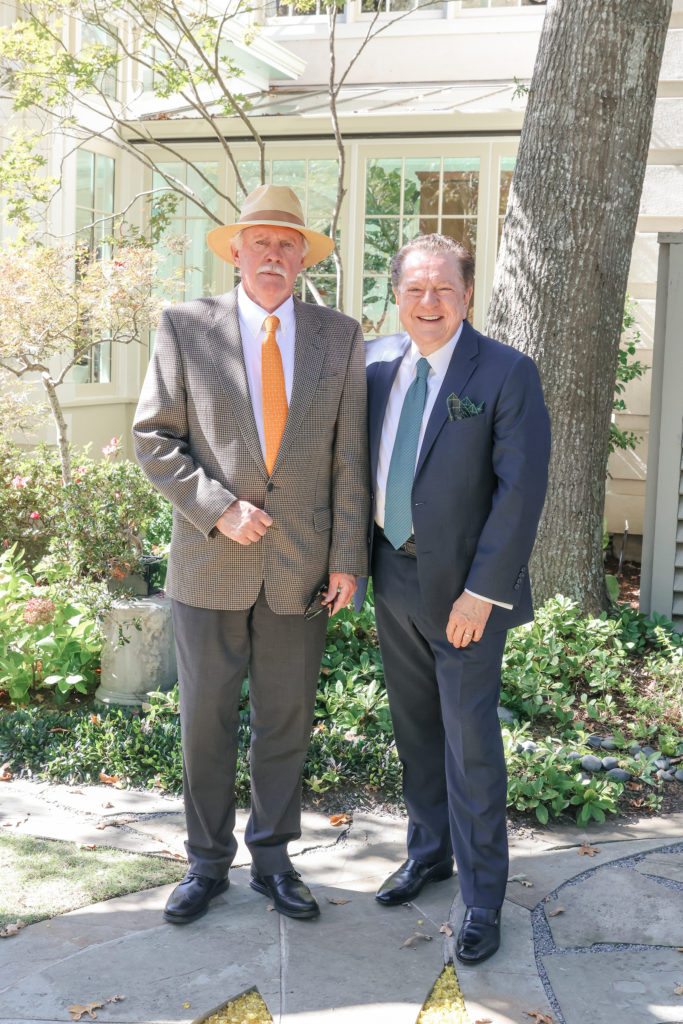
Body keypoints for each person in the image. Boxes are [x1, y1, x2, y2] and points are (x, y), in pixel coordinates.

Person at [133, 184, 369, 924]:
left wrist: (347, 559)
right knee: (204, 720)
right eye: (258, 241)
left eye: (285, 243)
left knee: (286, 719)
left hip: (301, 569)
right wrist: (216, 507)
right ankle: (206, 865)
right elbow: (153, 438)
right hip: (209, 563)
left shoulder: (339, 335)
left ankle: (272, 859)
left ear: (302, 256)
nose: (272, 253)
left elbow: (349, 458)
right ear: (235, 251)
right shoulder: (184, 327)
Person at [362, 233, 550, 964]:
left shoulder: (505, 372)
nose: (428, 302)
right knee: (416, 731)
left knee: (470, 744)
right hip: (391, 574)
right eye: (414, 289)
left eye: (443, 288)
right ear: (397, 296)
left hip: (464, 592)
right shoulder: (375, 365)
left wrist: (481, 595)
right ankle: (429, 852)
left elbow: (519, 494)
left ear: (467, 294)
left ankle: (480, 897)